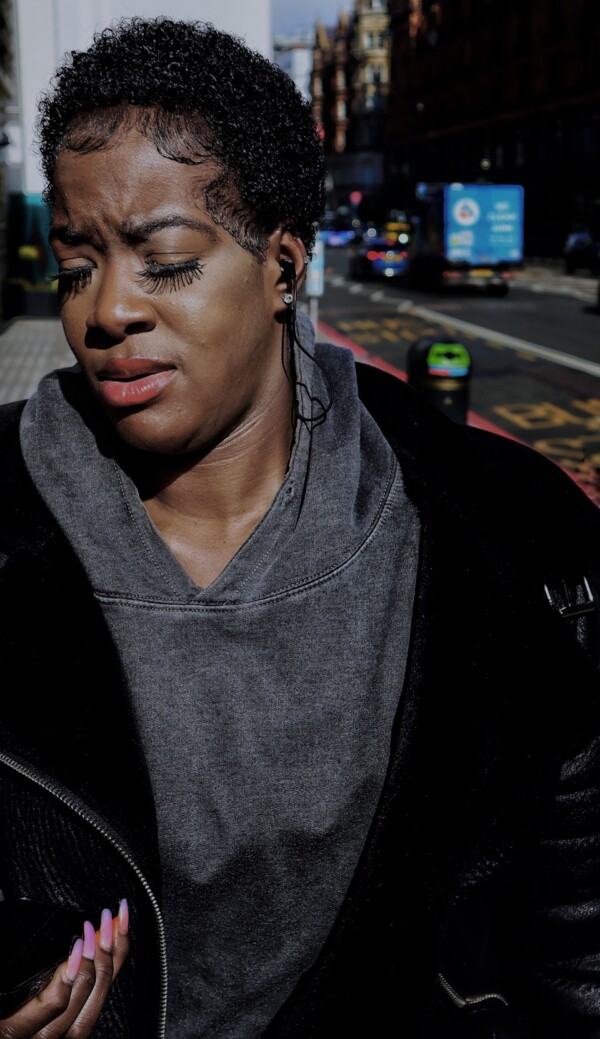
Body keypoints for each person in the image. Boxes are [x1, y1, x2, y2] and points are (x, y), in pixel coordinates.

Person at [0, 16, 599, 1039]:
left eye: (165, 260)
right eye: (77, 265)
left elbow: (577, 939)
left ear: (283, 266)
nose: (107, 311)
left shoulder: (505, 536)